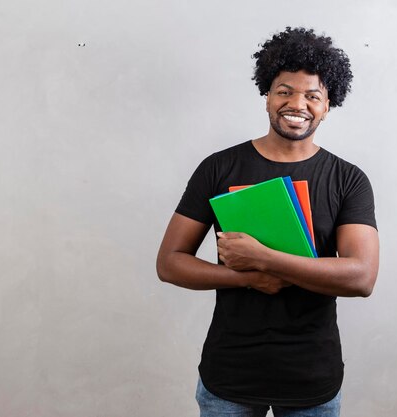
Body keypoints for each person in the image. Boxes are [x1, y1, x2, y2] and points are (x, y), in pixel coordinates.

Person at [156, 27, 379, 417]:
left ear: (328, 105)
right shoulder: (219, 167)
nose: (297, 103)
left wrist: (264, 258)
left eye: (313, 95)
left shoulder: (348, 179)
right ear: (267, 97)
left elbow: (361, 278)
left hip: (312, 377)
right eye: (284, 91)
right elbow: (170, 263)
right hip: (229, 375)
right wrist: (245, 277)